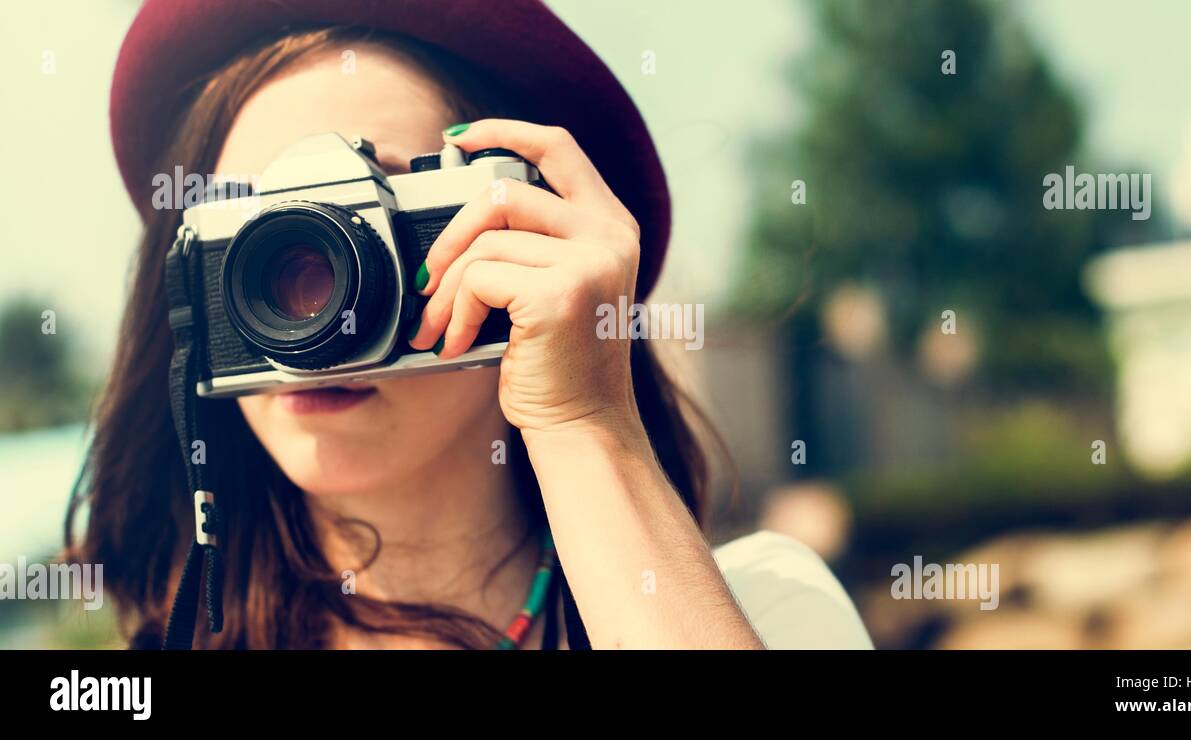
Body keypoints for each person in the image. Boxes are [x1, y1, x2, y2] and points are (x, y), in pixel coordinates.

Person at [70, 0, 873, 650]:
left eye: (363, 222)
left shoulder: (770, 610)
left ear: (532, 238)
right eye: (260, 231)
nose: (306, 303)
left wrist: (581, 422)